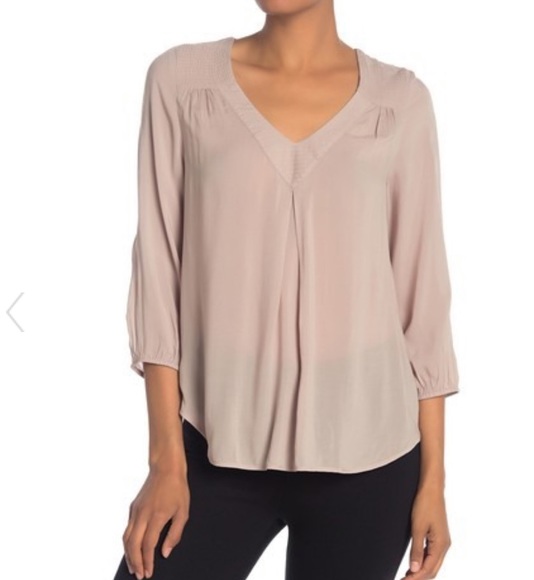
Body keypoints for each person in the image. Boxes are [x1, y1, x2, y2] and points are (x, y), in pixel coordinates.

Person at [112, 2, 460, 580]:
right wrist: (165, 460)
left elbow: (422, 299)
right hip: (213, 449)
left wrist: (434, 483)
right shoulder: (181, 82)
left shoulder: (400, 101)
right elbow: (158, 270)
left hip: (371, 462)